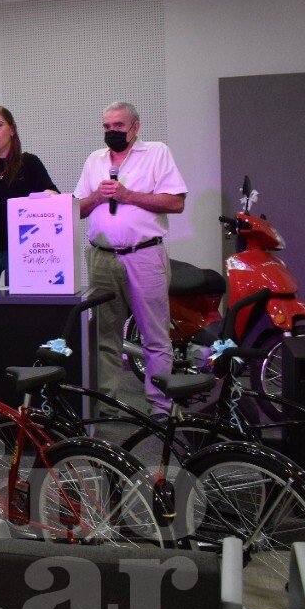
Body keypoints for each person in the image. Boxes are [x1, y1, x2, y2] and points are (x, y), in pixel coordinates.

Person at [74, 101, 187, 413]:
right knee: (103, 336)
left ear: (135, 127)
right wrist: (97, 196)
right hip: (101, 258)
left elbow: (176, 202)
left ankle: (160, 407)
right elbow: (77, 209)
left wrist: (128, 196)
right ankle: (105, 405)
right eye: (106, 126)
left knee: (155, 336)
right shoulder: (94, 160)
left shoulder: (156, 153)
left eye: (118, 126)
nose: (112, 131)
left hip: (144, 255)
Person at [0, 106, 58, 282]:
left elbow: (53, 192)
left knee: (15, 297)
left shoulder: (29, 162)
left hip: (20, 247)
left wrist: (46, 195)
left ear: (12, 129)